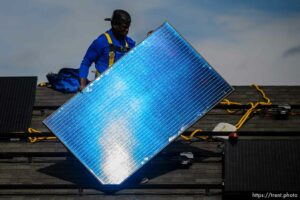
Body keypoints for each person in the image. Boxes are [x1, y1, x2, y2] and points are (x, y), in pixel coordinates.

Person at [79, 9, 135, 91]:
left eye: (128, 27)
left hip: (121, 89)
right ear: (115, 25)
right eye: (124, 27)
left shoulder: (130, 43)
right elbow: (85, 63)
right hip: (101, 89)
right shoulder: (101, 42)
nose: (127, 30)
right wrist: (82, 85)